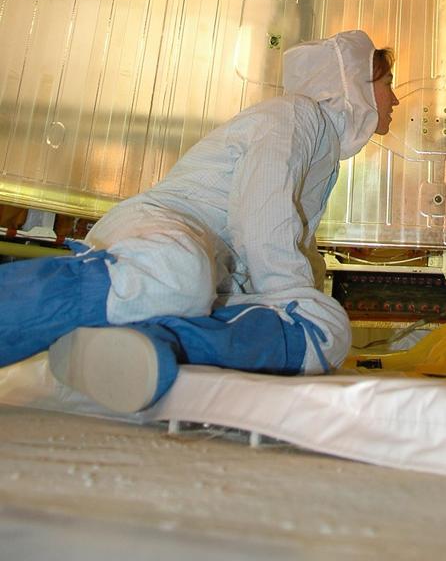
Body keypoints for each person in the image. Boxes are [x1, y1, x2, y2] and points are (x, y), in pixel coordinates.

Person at [0, 30, 398, 412]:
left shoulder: (325, 154)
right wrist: (292, 296)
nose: (394, 99)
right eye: (387, 83)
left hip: (207, 274)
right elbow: (263, 210)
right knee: (182, 275)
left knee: (328, 330)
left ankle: (141, 350)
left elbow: (295, 241)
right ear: (353, 84)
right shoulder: (294, 115)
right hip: (161, 236)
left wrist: (306, 301)